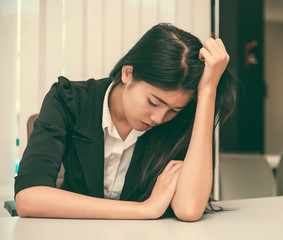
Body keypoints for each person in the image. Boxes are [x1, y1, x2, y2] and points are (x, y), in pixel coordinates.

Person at [14, 23, 237, 221]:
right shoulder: (68, 99)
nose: (159, 118)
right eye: (153, 102)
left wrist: (208, 91)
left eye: (173, 110)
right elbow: (28, 197)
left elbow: (188, 209)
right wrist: (144, 210)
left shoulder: (182, 120)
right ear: (128, 73)